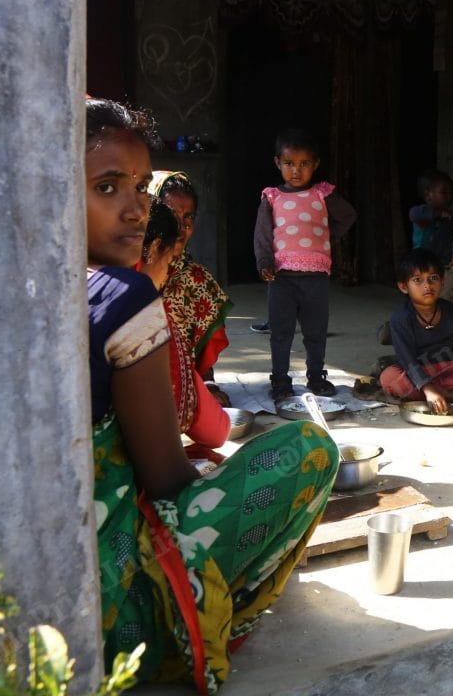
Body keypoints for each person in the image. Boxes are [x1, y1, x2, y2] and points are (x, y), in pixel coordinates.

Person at [85, 97, 339, 692]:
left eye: (139, 189)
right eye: (105, 188)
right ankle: (202, 613)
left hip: (29, 596)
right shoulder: (122, 297)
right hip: (120, 613)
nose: (134, 209)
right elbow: (166, 480)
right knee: (308, 448)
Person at [253, 128, 357, 401]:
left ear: (315, 165)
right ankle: (280, 381)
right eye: (289, 163)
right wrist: (264, 261)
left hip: (316, 279)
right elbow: (262, 234)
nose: (296, 171)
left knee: (316, 332)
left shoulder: (323, 194)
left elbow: (348, 215)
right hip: (281, 278)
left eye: (304, 164)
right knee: (281, 333)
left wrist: (325, 234)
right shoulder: (272, 197)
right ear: (278, 163)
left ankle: (315, 377)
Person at [139, 198, 229, 450]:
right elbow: (216, 432)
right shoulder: (147, 316)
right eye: (165, 263)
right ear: (156, 247)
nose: (181, 228)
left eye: (188, 218)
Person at [147, 170, 233, 407]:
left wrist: (207, 384)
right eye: (172, 215)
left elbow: (202, 348)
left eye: (189, 218)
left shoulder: (195, 279)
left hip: (183, 385)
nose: (181, 227)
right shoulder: (126, 272)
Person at [379, 248, 453, 413]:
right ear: (404, 287)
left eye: (433, 278)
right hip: (416, 369)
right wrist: (427, 387)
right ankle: (449, 395)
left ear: (442, 282)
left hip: (448, 368)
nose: (427, 285)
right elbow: (408, 361)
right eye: (418, 280)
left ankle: (438, 394)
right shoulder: (400, 319)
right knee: (388, 379)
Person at [409, 169, 453, 265]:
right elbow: (413, 214)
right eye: (444, 192)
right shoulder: (423, 211)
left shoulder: (448, 215)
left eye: (451, 193)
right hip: (421, 260)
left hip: (440, 261)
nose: (449, 197)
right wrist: (437, 213)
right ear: (428, 194)